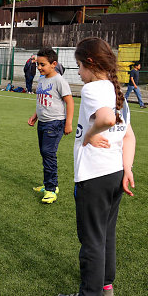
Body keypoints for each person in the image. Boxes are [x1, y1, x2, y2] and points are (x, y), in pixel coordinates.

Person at [58, 37, 136, 296]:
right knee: (106, 235)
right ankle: (106, 286)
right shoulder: (117, 90)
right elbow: (128, 135)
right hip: (114, 173)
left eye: (79, 66)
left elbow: (105, 118)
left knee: (91, 240)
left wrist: (90, 134)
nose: (79, 73)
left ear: (90, 63)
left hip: (94, 176)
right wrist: (128, 169)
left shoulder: (94, 89)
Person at [28, 47, 74, 204]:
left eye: (42, 65)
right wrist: (35, 116)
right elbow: (41, 100)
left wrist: (68, 123)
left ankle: (51, 190)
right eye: (38, 65)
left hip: (55, 123)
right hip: (42, 122)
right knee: (44, 153)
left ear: (53, 64)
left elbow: (70, 102)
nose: (39, 68)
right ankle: (50, 183)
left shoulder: (59, 81)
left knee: (48, 153)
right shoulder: (42, 79)